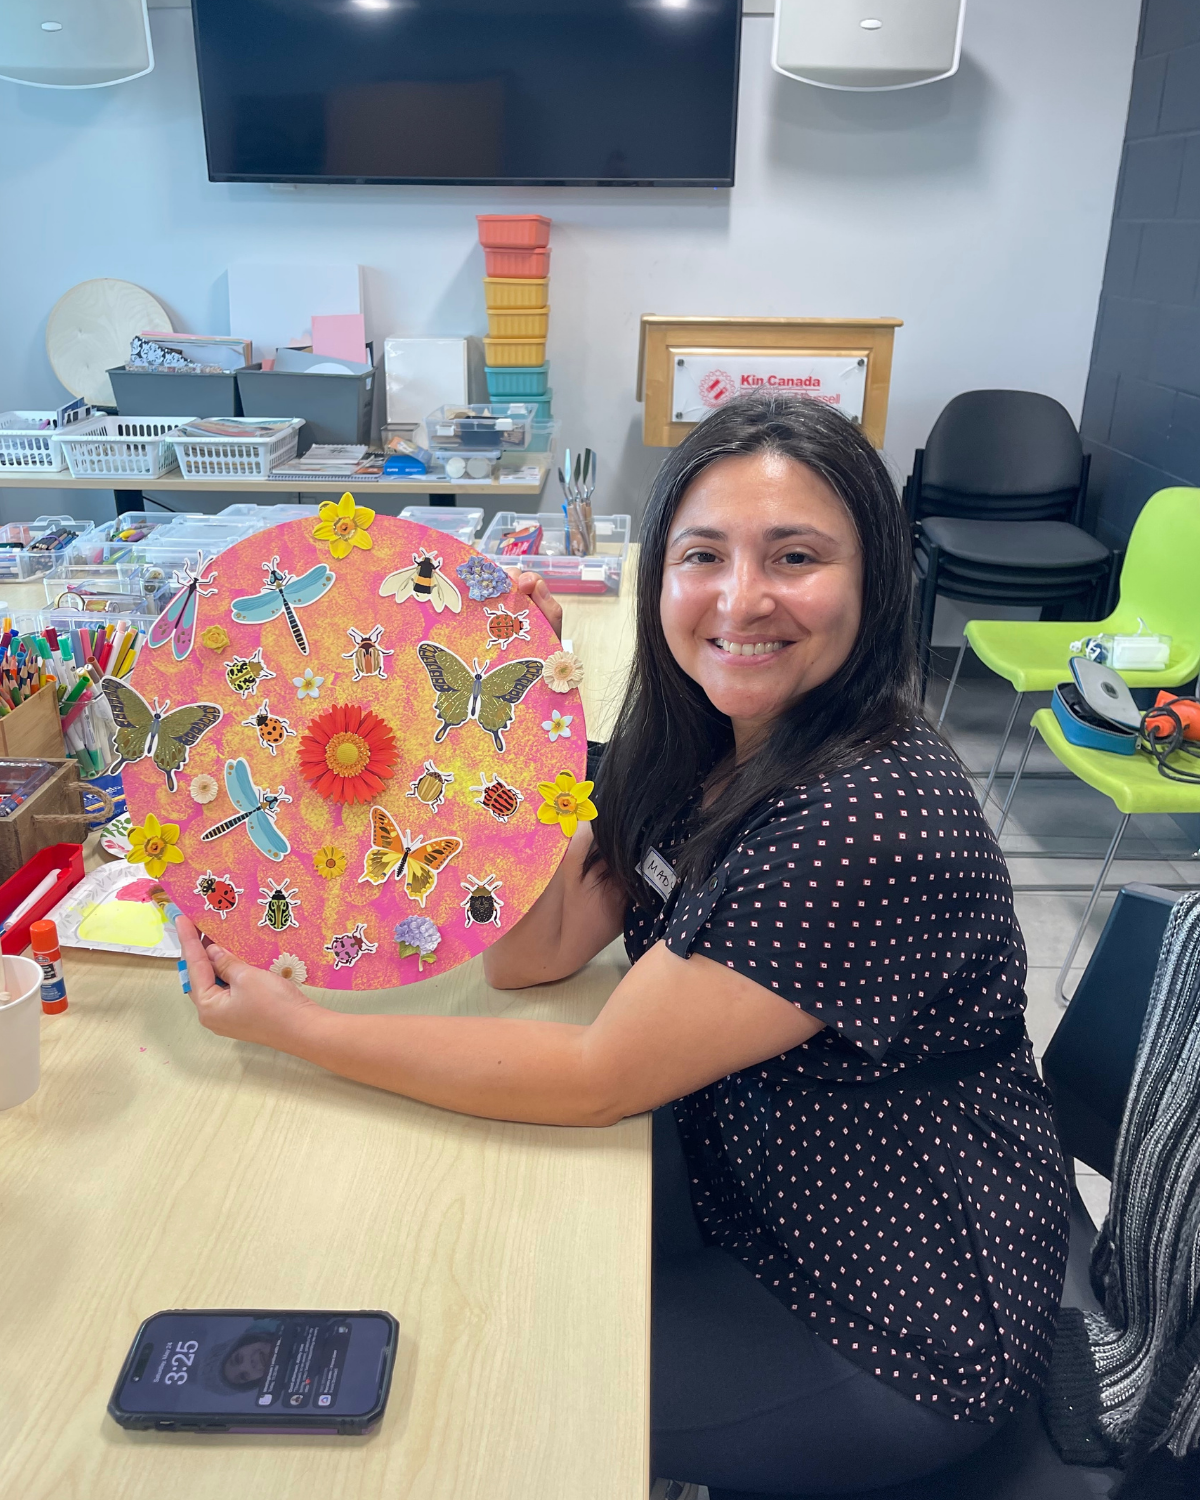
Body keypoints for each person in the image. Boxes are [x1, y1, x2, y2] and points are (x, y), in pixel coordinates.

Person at [177, 391, 1070, 1494]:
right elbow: (532, 953)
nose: (742, 598)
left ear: (875, 581)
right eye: (704, 555)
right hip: (749, 1195)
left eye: (794, 556)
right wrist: (525, 721)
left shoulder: (867, 818)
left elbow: (595, 1076)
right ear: (661, 579)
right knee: (453, 1265)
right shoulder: (705, 735)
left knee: (474, 1385)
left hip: (896, 1313)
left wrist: (298, 1027)